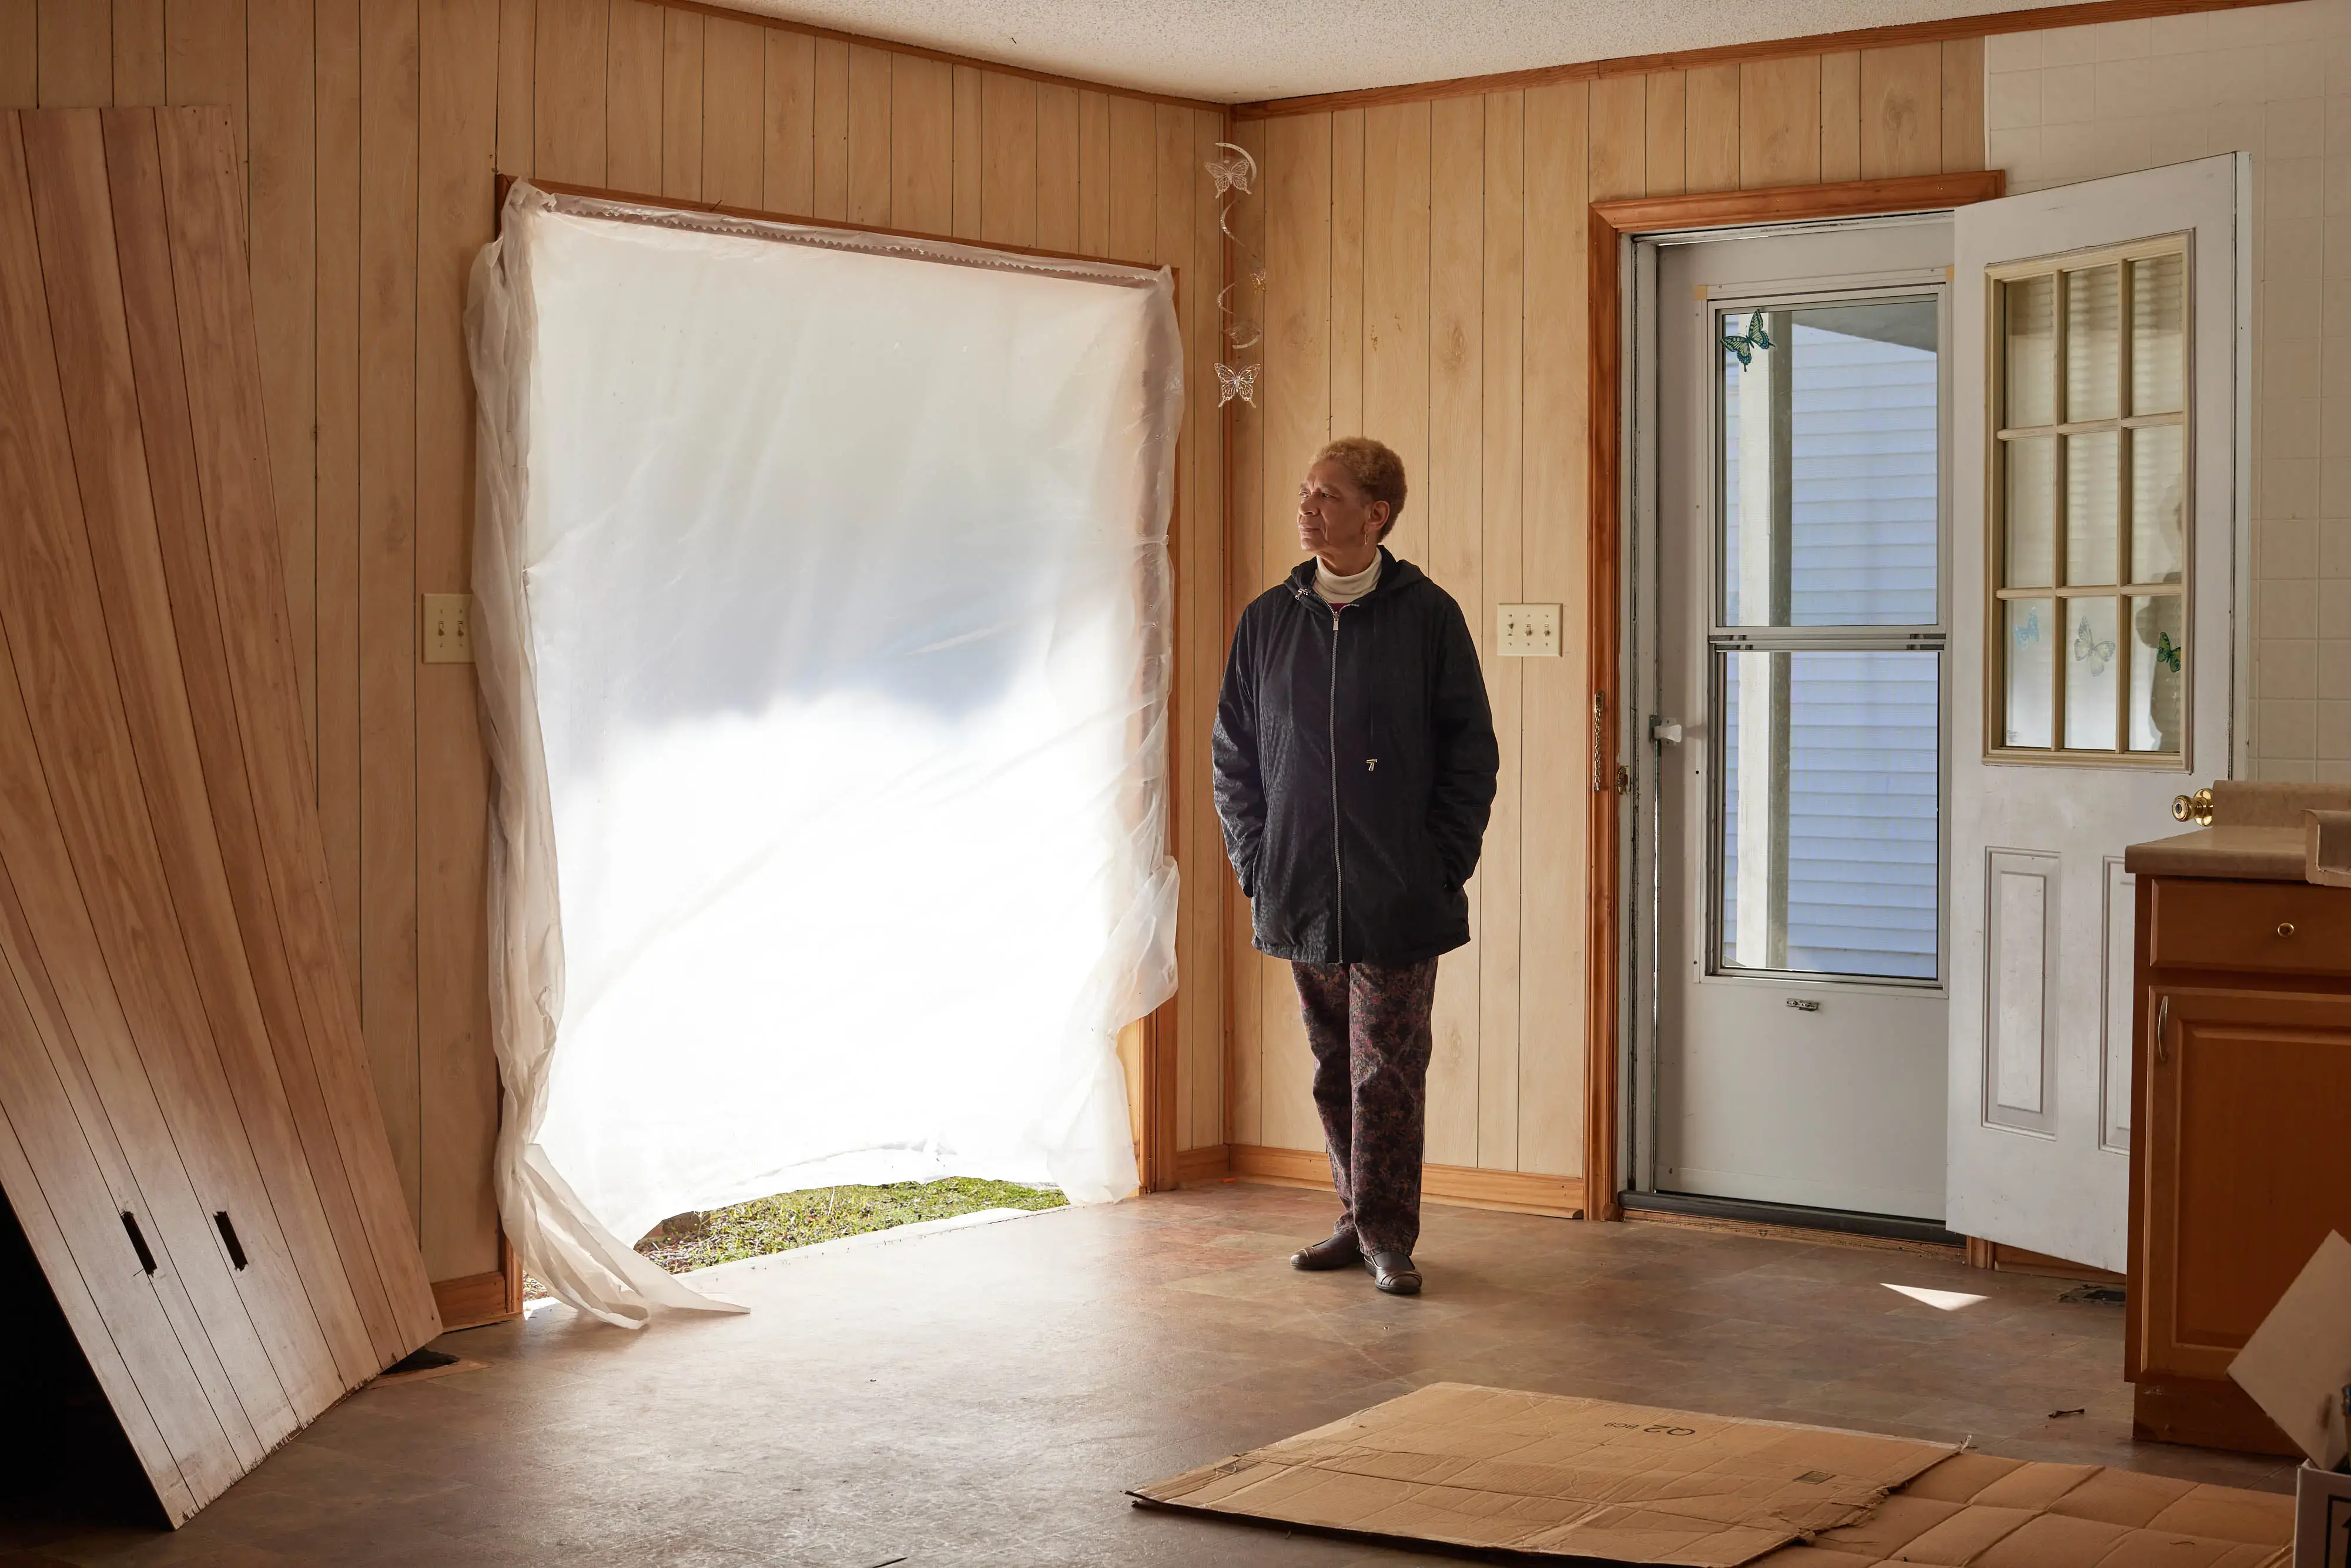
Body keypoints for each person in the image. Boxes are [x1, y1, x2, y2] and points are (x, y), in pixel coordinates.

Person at [1210, 437, 1499, 1296]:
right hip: (1300, 889)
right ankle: (1353, 1215)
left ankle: (1387, 1235)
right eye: (1305, 491)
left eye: (1326, 495)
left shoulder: (1428, 617)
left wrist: (1441, 862)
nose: (1307, 506)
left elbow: (1470, 755)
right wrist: (1257, 863)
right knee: (1335, 1065)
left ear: (1375, 514)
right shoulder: (1267, 620)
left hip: (1400, 894)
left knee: (1388, 1071)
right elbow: (1235, 755)